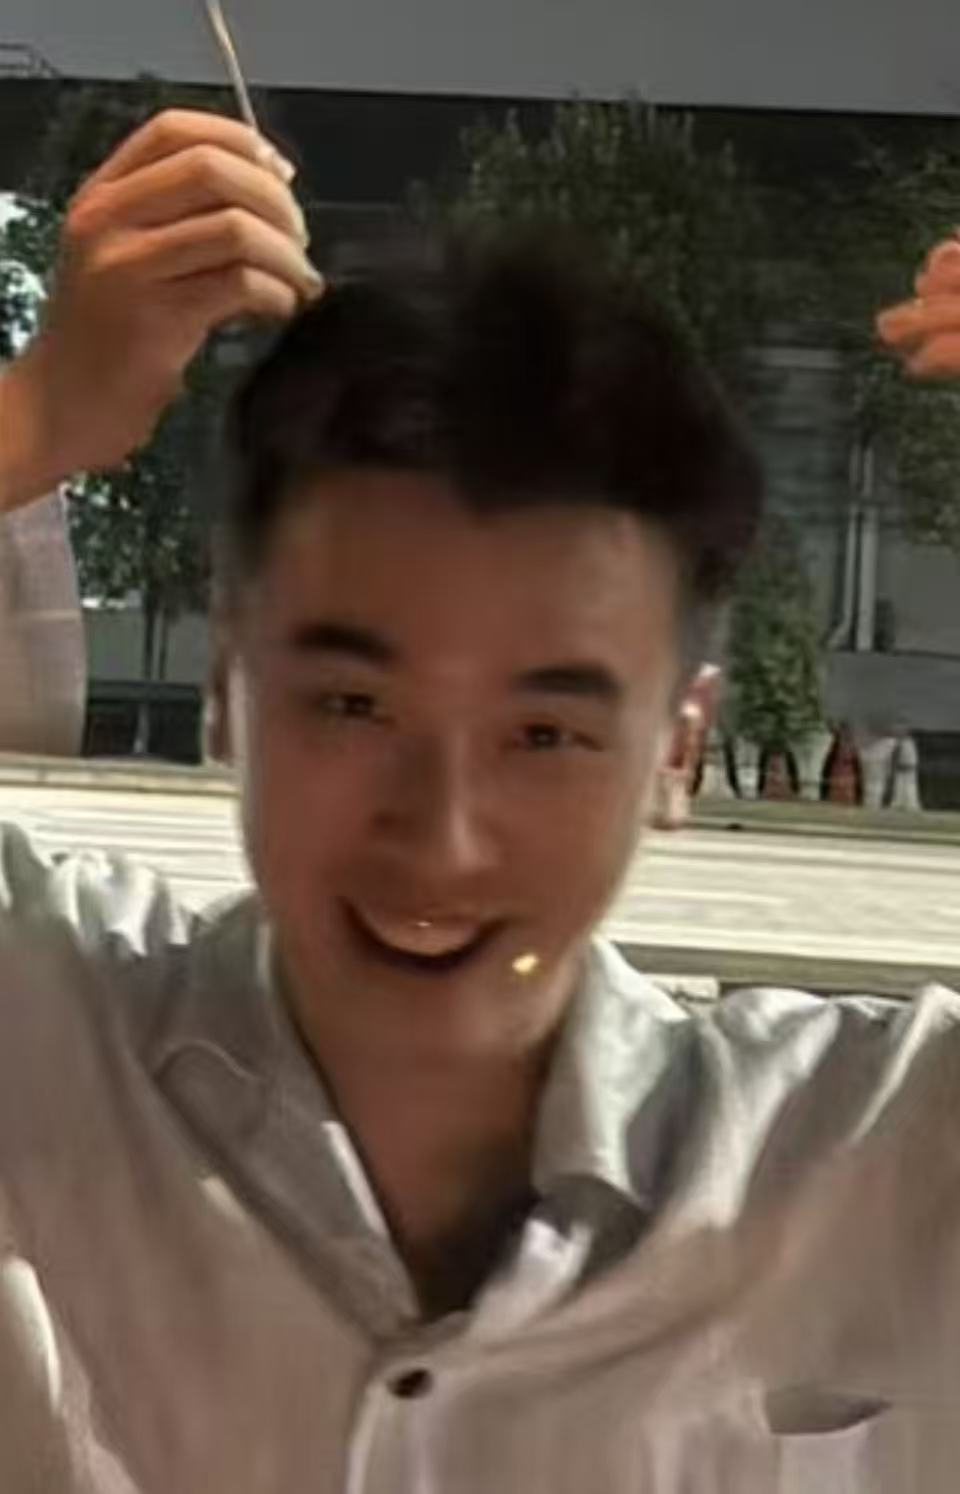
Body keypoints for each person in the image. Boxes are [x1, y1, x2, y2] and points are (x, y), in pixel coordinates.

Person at [1, 108, 959, 1493]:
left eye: (545, 734)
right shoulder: (49, 1037)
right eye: (354, 705)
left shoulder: (863, 1156)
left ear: (677, 751)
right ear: (229, 691)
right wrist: (31, 420)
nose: (441, 837)